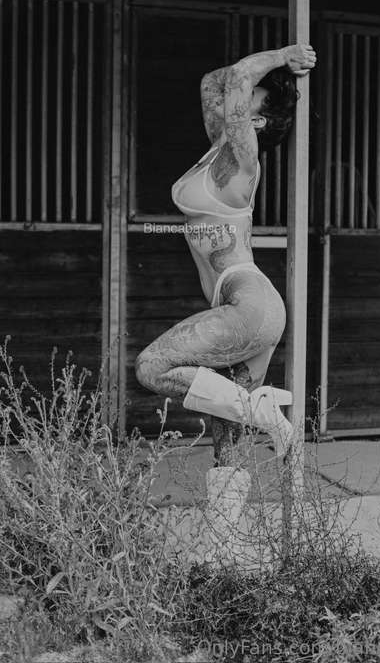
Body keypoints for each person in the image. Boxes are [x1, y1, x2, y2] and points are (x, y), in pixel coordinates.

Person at [135, 44, 317, 458]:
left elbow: (236, 76)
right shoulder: (218, 147)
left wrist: (284, 55)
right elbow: (213, 82)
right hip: (248, 310)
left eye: (251, 95)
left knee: (151, 367)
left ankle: (260, 411)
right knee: (227, 439)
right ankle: (231, 499)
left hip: (248, 305)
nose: (240, 93)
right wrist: (266, 71)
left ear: (255, 121)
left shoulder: (242, 158)